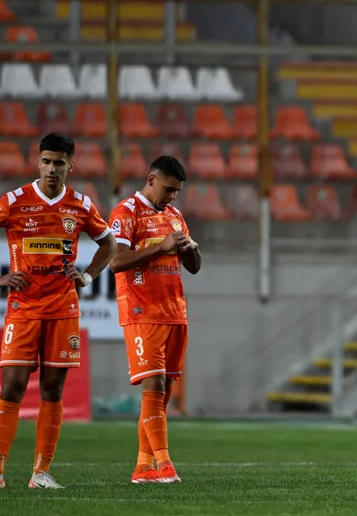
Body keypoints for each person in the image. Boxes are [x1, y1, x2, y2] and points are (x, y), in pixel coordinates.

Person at [0, 133, 116, 490]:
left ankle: (41, 473)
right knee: (13, 385)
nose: (52, 169)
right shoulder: (15, 201)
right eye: (46, 161)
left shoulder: (80, 205)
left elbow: (108, 243)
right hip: (23, 308)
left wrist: (89, 276)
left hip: (64, 309)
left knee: (53, 387)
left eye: (59, 162)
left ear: (70, 165)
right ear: (38, 162)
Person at [108, 155, 201, 484]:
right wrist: (161, 247)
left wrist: (189, 249)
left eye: (176, 191)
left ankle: (143, 467)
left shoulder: (175, 216)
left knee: (165, 392)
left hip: (175, 311)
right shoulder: (126, 212)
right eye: (168, 188)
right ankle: (165, 464)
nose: (172, 196)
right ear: (151, 179)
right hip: (141, 310)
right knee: (153, 385)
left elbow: (195, 267)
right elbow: (116, 261)